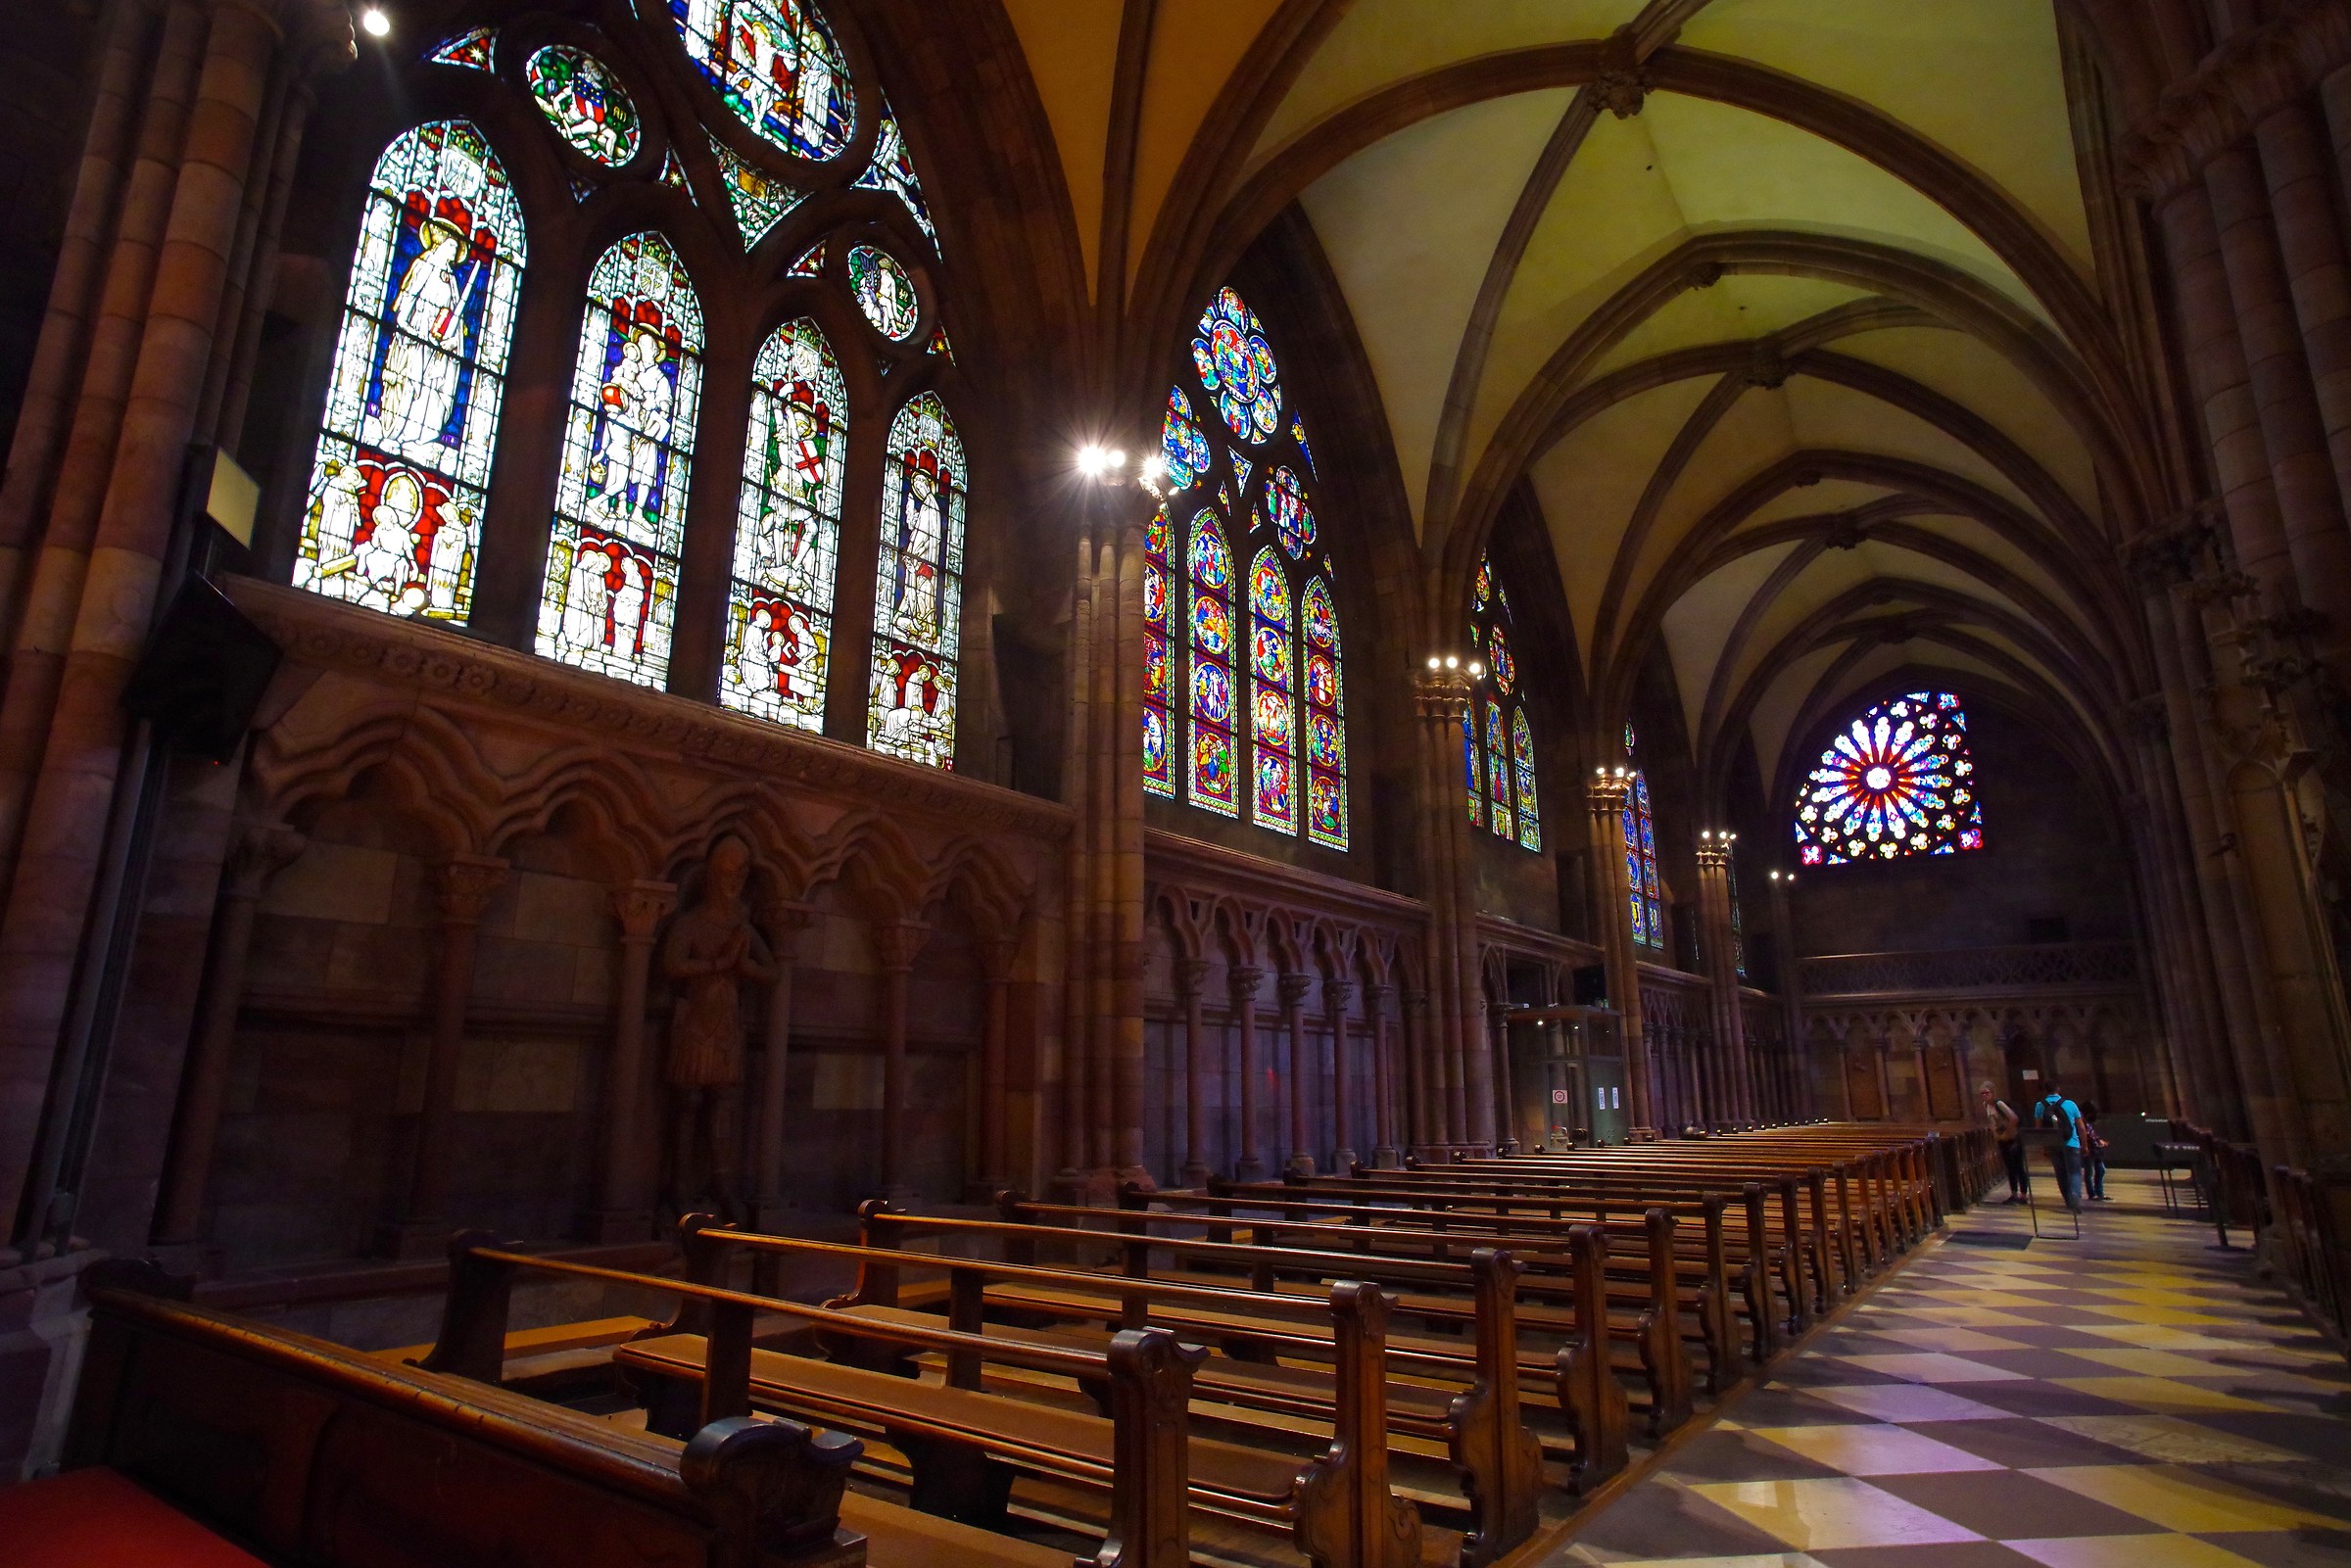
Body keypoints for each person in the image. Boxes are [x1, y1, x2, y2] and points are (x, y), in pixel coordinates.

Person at [2035, 1081, 2085, 1212]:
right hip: (2072, 1143)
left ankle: (2068, 1201)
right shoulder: (2070, 1104)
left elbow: (2039, 1130)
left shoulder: (2040, 1106)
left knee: (2061, 1173)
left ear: (2045, 1090)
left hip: (2053, 1144)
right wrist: (2084, 1145)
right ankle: (2075, 1195)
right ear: (2058, 1088)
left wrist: (2044, 1147)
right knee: (2074, 1172)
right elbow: (2081, 1127)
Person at [1980, 1080, 2027, 1202]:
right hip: (2002, 1139)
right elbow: (1992, 1122)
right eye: (1982, 1093)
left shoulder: (1999, 1104)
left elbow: (2014, 1118)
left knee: (2018, 1166)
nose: (1984, 1095)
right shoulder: (1986, 1105)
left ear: (1993, 1092)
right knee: (2010, 1167)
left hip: (2012, 1139)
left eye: (1986, 1093)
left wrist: (2006, 1132)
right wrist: (1996, 1134)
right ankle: (2014, 1194)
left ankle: (2023, 1195)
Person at [2080, 1101, 2110, 1202]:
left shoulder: (2085, 1120)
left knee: (2099, 1170)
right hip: (2089, 1148)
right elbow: (2086, 1133)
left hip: (2094, 1148)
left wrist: (2099, 1141)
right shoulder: (2081, 1119)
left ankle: (2099, 1193)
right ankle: (2093, 1194)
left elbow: (2090, 1133)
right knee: (2090, 1171)